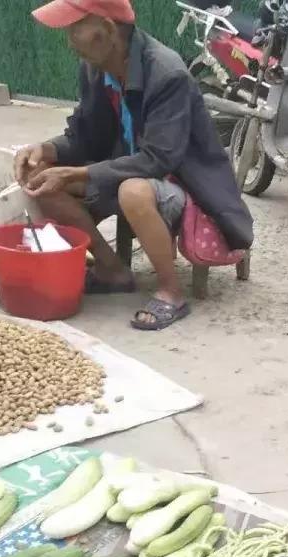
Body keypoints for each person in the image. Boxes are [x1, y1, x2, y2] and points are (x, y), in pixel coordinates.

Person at [15, 0, 254, 330]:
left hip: (184, 185)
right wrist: (44, 150)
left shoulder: (166, 73)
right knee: (38, 178)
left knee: (134, 191)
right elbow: (85, 135)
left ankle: (171, 292)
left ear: (109, 29)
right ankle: (112, 269)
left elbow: (158, 159)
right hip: (126, 169)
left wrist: (81, 173)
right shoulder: (95, 67)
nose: (70, 41)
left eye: (75, 28)